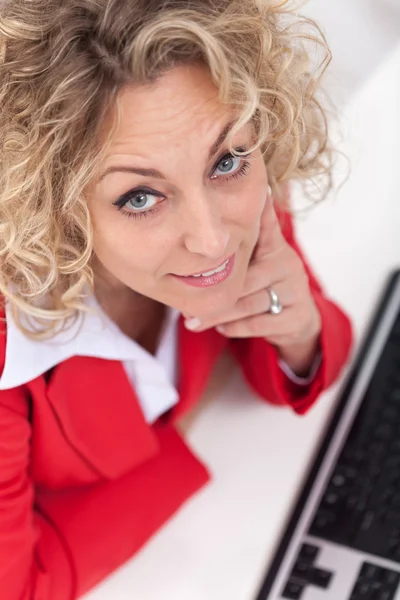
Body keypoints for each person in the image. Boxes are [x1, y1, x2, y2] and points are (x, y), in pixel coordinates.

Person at [0, 0, 352, 598]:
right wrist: (179, 446)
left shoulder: (239, 189)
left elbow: (306, 360)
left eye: (226, 160)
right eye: (140, 197)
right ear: (47, 204)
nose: (213, 238)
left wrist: (298, 331)